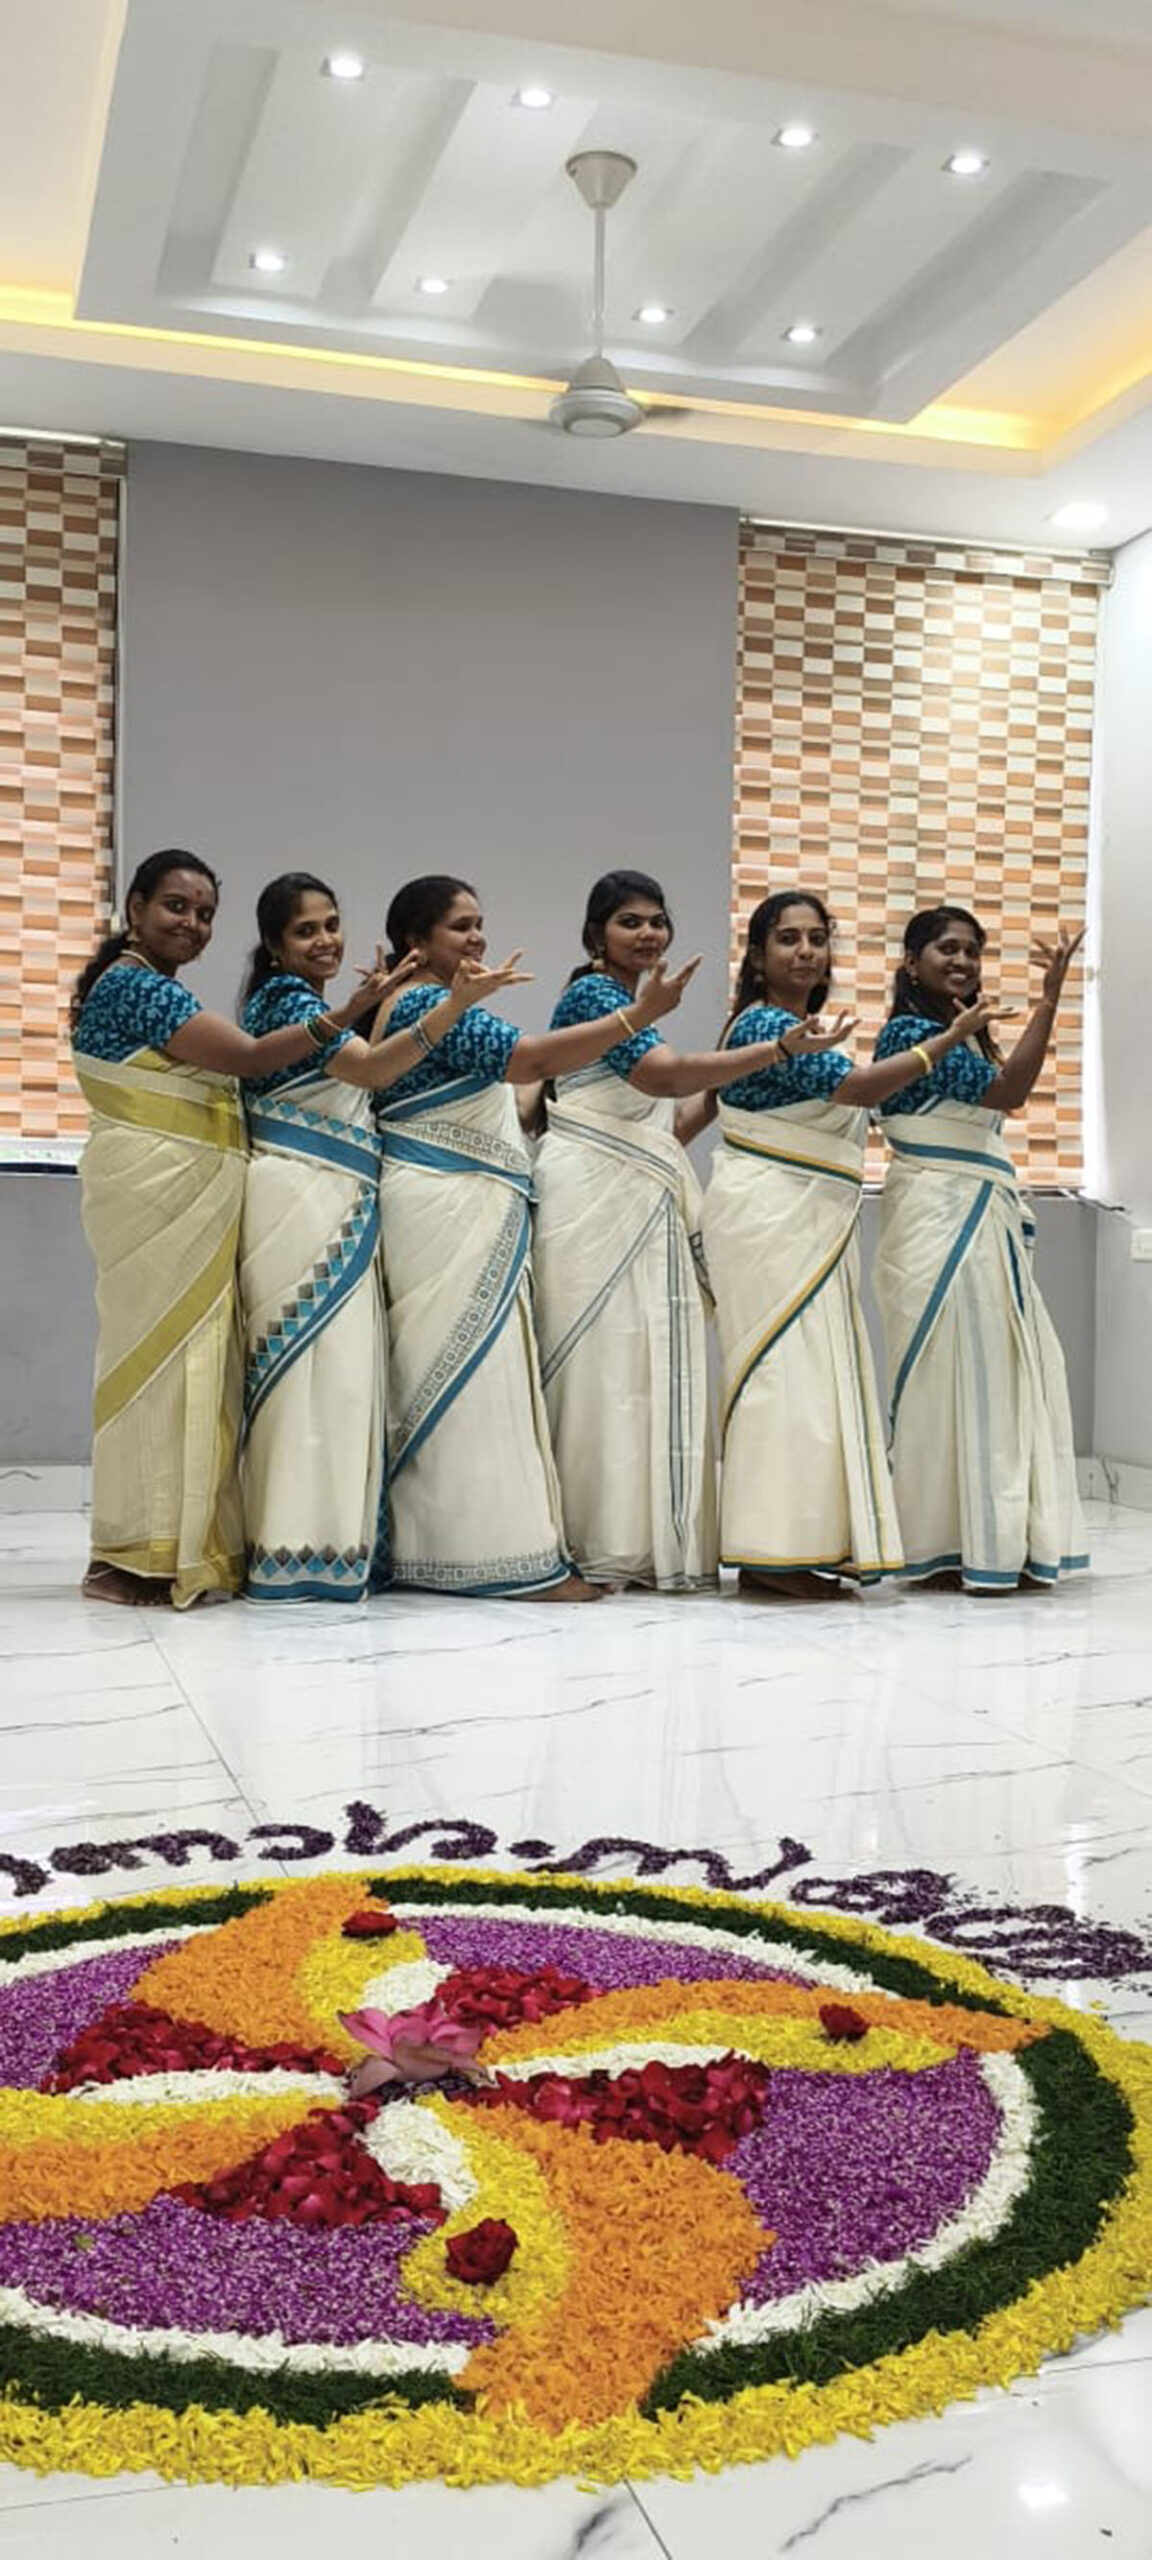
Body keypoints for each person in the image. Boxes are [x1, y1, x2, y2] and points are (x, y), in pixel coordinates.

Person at [70, 851, 396, 1610]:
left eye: (205, 913)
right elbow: (248, 1059)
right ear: (135, 908)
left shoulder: (154, 988)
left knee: (188, 1369)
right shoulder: (136, 987)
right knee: (156, 1372)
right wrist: (347, 1012)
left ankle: (170, 1548)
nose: (192, 924)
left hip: (187, 1199)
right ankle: (133, 1558)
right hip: (156, 1192)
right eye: (176, 907)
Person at [370, 875, 698, 1599]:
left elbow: (522, 1094)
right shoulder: (423, 1003)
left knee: (459, 1376)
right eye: (460, 926)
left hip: (453, 1198)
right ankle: (496, 1562)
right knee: (471, 1379)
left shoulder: (423, 1003)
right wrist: (638, 1016)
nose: (478, 937)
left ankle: (446, 1553)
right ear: (415, 941)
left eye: (479, 922)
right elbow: (532, 1062)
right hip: (447, 1199)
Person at [237, 873, 523, 1602]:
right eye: (306, 930)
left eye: (331, 924)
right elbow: (368, 1071)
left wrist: (371, 1006)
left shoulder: (317, 1004)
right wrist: (451, 1007)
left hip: (331, 1195)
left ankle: (328, 1550)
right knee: (310, 1374)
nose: (325, 940)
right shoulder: (287, 999)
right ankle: (300, 1553)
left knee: (336, 1380)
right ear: (273, 945)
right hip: (303, 1196)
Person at [702, 890, 994, 1597]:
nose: (805, 951)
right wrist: (947, 1039)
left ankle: (804, 1544)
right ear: (758, 955)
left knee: (810, 1378)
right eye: (788, 938)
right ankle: (771, 1555)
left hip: (802, 1220)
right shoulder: (767, 1024)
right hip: (773, 1219)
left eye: (816, 938)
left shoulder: (801, 1028)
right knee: (784, 1378)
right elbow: (859, 1090)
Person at [531, 870, 789, 1590]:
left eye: (656, 921)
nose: (647, 934)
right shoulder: (595, 997)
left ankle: (645, 1543)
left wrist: (729, 1085)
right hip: (592, 1198)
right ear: (596, 934)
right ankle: (597, 1539)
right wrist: (773, 1052)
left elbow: (664, 1125)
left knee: (642, 1365)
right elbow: (663, 1078)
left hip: (638, 1193)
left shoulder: (634, 1006)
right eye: (630, 922)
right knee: (599, 1369)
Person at [871, 905, 1088, 1592]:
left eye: (972, 950)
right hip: (939, 1218)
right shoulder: (911, 1034)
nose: (962, 961)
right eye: (947, 949)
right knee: (950, 1371)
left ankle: (993, 1537)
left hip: (976, 1213)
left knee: (995, 1369)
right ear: (912, 963)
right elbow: (1009, 1092)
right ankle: (944, 1539)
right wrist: (1048, 1003)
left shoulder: (964, 1035)